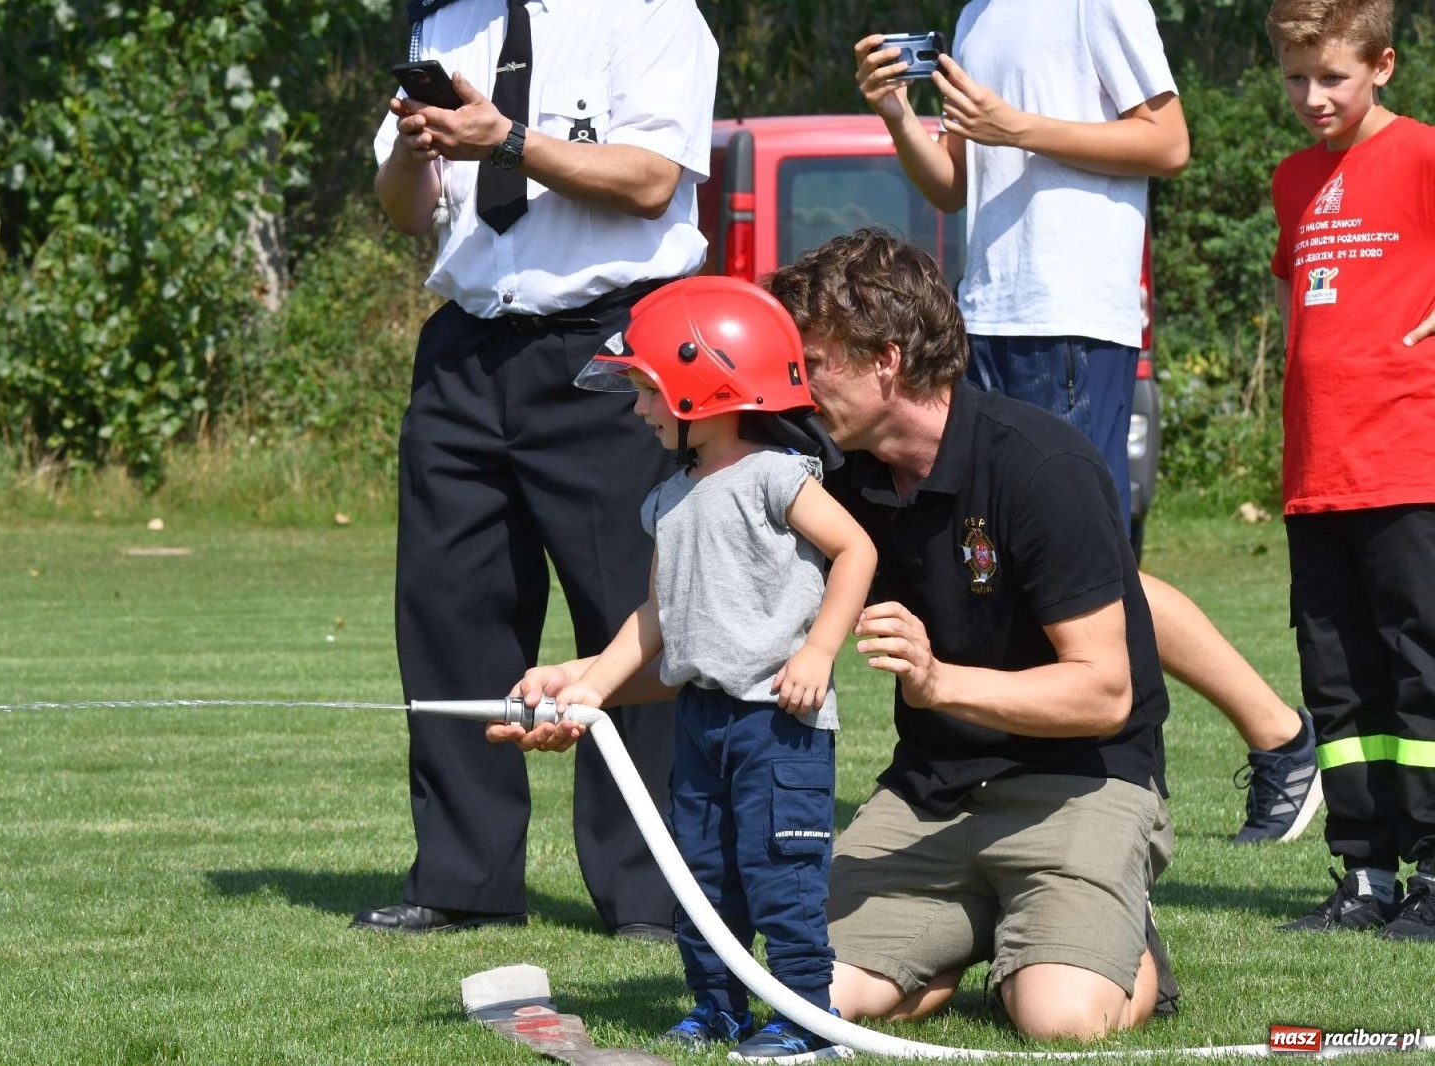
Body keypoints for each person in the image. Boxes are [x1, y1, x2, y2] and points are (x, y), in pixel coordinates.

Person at [498, 230, 1173, 1041]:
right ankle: (978, 928)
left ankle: (1117, 943)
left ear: (886, 359)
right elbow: (724, 652)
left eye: (809, 363)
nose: (791, 386)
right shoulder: (822, 476)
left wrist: (938, 683)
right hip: (929, 797)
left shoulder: (1040, 466)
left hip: (1078, 789)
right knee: (813, 994)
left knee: (1058, 1019)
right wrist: (581, 686)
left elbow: (1104, 692)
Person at [853, 0, 1322, 846]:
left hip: (1067, 319)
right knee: (1040, 569)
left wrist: (1016, 124)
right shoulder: (976, 16)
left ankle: (1273, 739)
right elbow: (958, 182)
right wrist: (896, 111)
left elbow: (1167, 142)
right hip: (986, 314)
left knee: (1079, 572)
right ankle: (1238, 745)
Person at [355, 0, 718, 938]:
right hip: (467, 347)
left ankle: (647, 894)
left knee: (627, 618)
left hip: (611, 342)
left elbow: (649, 181)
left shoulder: (653, 15)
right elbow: (407, 211)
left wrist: (505, 140)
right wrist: (413, 149)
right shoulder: (447, 22)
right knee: (448, 613)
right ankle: (462, 880)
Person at [558, 275, 877, 1061]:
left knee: (783, 875)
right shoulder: (666, 500)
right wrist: (590, 686)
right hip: (700, 722)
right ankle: (718, 1009)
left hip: (780, 726)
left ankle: (807, 1018)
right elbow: (657, 616)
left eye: (646, 391)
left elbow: (855, 551)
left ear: (706, 387)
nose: (636, 409)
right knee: (701, 875)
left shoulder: (777, 477)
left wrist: (818, 651)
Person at [1264, 0, 1435, 939]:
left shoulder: (1421, 154)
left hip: (1410, 466)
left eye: (1332, 76)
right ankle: (1365, 874)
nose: (1312, 96)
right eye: (1296, 77)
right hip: (1316, 472)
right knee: (1337, 677)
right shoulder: (1294, 178)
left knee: (1424, 671)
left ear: (1383, 65)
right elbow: (1301, 304)